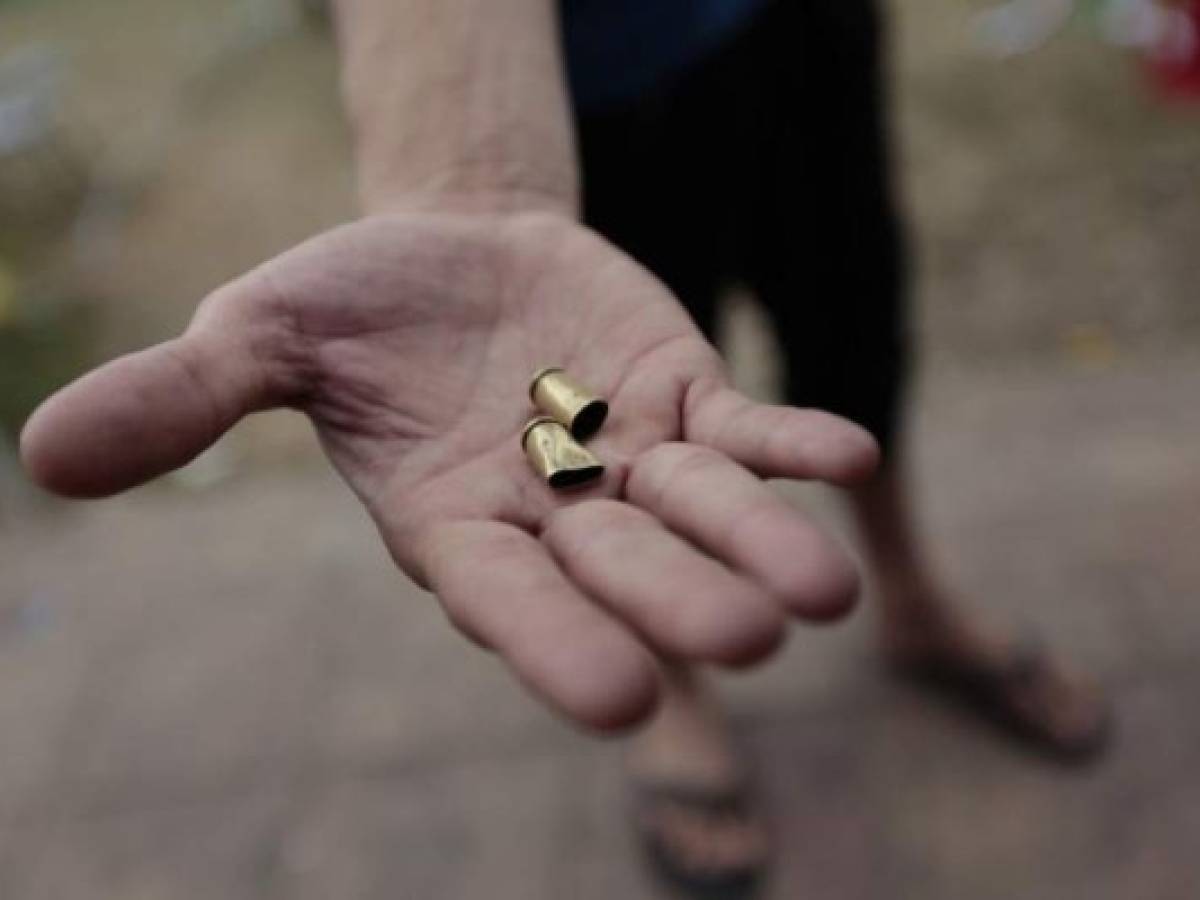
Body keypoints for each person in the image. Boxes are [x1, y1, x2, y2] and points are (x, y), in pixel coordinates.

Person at [20, 0, 1108, 895]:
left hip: (797, 25)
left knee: (852, 317)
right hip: (580, 87)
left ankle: (911, 598)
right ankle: (679, 697)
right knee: (654, 389)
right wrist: (473, 179)